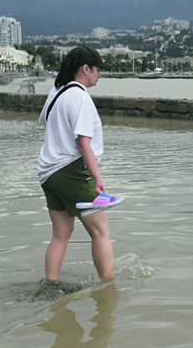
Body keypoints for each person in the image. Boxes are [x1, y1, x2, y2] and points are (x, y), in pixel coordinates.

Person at [38, 45, 115, 281]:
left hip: (48, 172)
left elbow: (44, 121)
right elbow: (83, 143)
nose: (100, 74)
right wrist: (97, 178)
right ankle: (108, 287)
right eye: (98, 69)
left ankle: (51, 286)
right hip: (71, 169)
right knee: (101, 231)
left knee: (61, 234)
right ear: (85, 69)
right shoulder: (80, 97)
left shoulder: (57, 93)